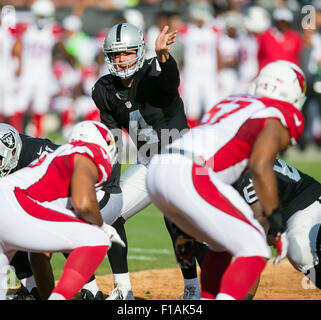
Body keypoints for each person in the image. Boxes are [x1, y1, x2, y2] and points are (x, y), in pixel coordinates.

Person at [146, 60, 306, 300]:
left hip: (160, 168)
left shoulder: (233, 101)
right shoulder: (279, 113)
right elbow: (261, 165)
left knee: (221, 244)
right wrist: (275, 218)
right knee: (255, 246)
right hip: (190, 171)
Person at [92, 22, 198, 300]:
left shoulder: (154, 73)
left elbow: (170, 81)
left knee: (182, 221)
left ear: (139, 52)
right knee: (110, 213)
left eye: (127, 53)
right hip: (148, 163)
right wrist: (110, 185)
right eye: (116, 55)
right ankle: (123, 289)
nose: (122, 60)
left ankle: (195, 289)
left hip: (180, 161)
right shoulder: (103, 89)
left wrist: (164, 56)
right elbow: (113, 137)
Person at [0, 120, 125, 300]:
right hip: (22, 203)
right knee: (93, 238)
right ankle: (83, 291)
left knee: (36, 249)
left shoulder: (45, 155)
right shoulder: (85, 153)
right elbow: (82, 204)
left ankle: (43, 291)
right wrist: (103, 228)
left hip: (17, 202)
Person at [233, 158, 321, 298]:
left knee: (300, 252)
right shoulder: (210, 170)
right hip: (276, 210)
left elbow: (256, 245)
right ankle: (193, 289)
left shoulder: (247, 178)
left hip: (304, 202)